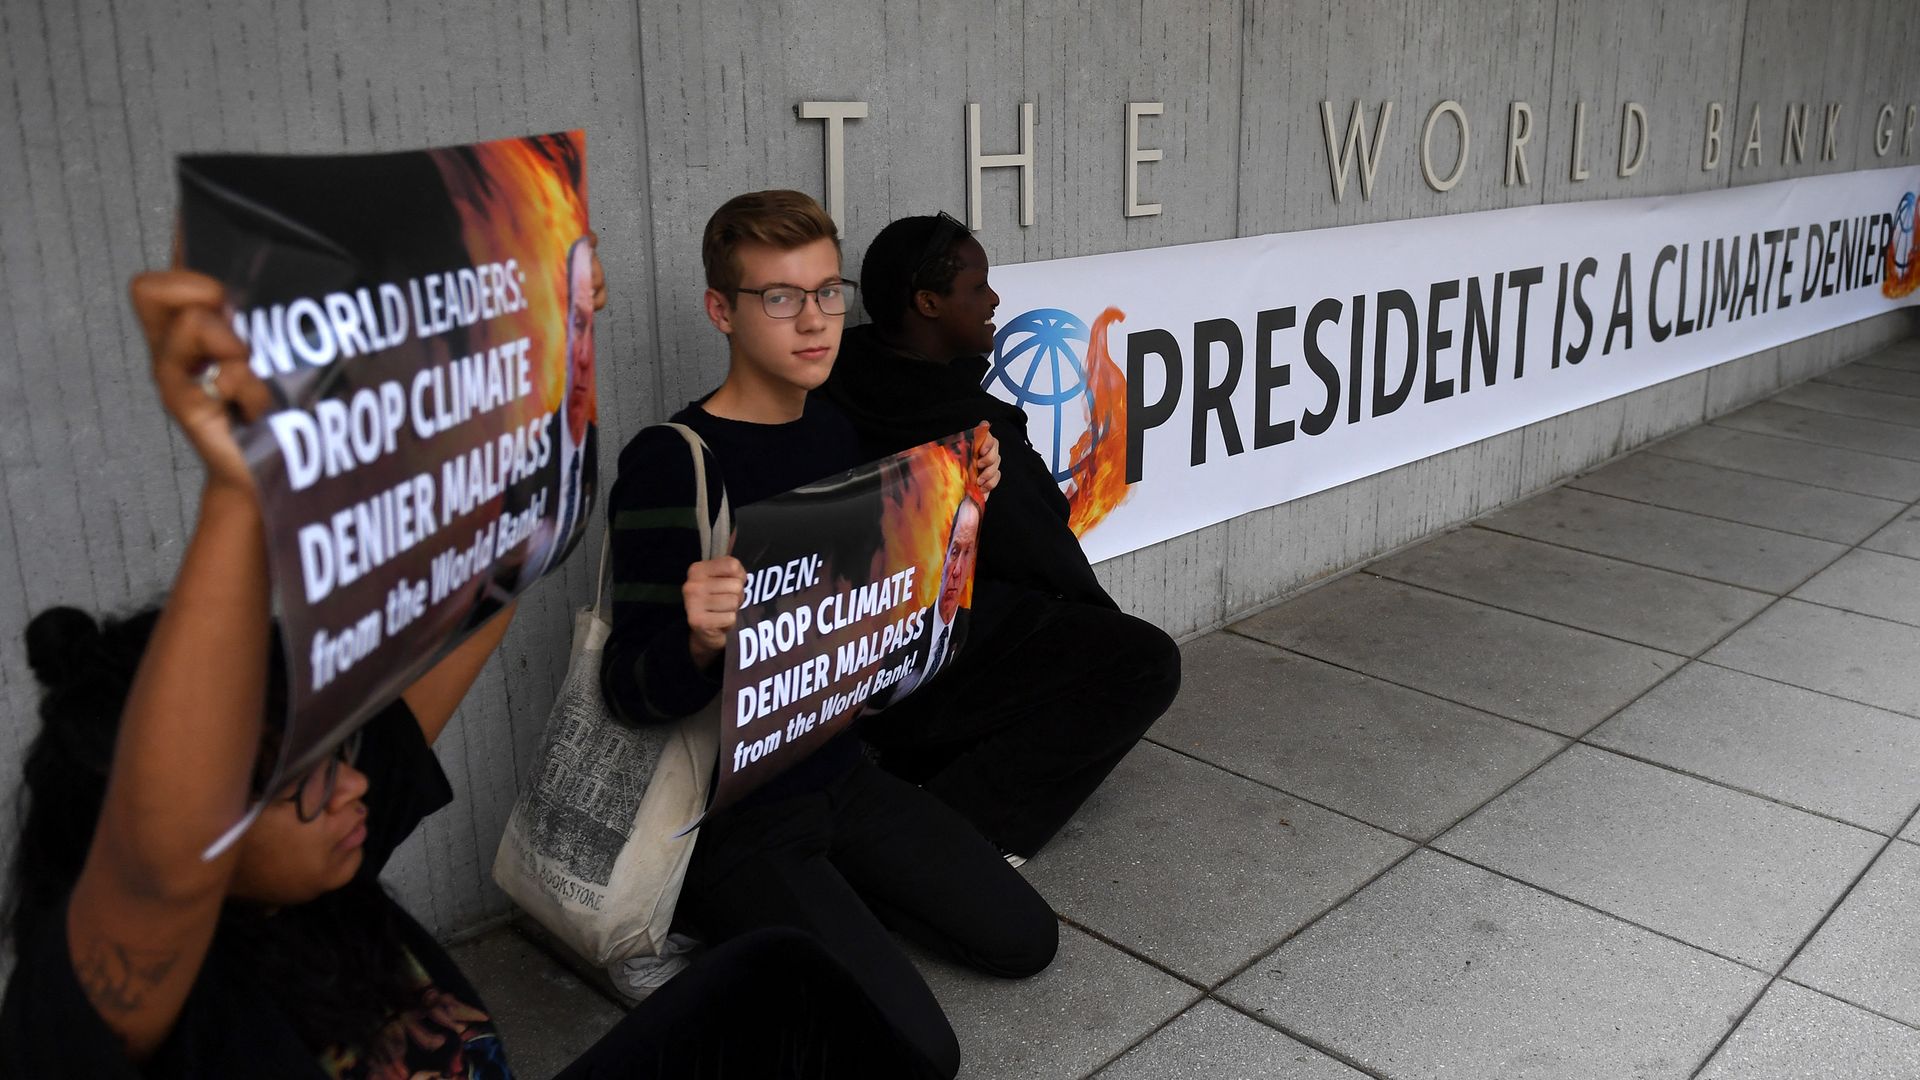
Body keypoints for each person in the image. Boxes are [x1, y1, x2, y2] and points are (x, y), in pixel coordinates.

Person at [0, 267, 944, 1080]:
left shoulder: (321, 866)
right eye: (302, 780)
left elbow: (495, 585)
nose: (353, 782)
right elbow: (167, 826)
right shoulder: (114, 1006)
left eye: (337, 750)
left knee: (775, 976)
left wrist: (550, 369)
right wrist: (241, 488)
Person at [598, 190, 1057, 1080]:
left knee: (1023, 939)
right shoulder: (672, 461)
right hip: (729, 814)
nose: (813, 321)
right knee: (920, 1053)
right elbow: (627, 690)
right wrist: (695, 639)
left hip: (837, 764)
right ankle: (715, 925)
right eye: (779, 298)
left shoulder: (835, 428)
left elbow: (885, 625)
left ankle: (828, 914)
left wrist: (963, 511)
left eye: (826, 292)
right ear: (721, 312)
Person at [820, 212, 1183, 865]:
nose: (993, 301)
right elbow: (1050, 566)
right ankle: (954, 841)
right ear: (928, 303)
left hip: (835, 673)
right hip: (913, 677)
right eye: (976, 286)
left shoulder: (833, 377)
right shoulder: (969, 433)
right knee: (1143, 662)